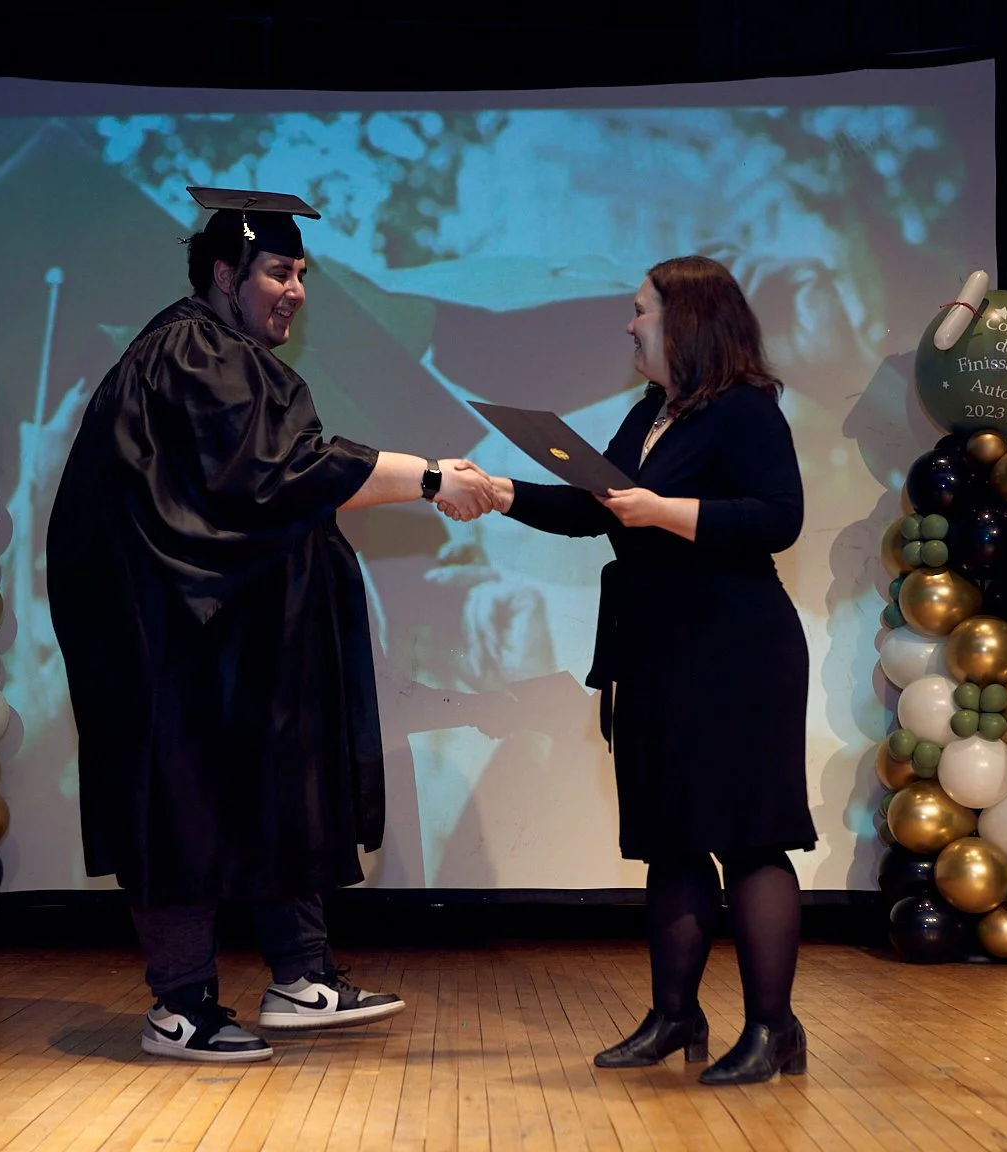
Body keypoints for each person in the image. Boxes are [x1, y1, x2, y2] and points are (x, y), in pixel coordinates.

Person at [46, 187, 495, 1063]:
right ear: (225, 273)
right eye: (279, 272)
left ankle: (302, 975)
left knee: (278, 787)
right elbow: (277, 472)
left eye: (301, 275)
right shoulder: (191, 352)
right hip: (172, 643)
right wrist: (431, 478)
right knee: (180, 809)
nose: (296, 291)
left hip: (229, 638)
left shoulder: (223, 352)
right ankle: (179, 1007)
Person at [485, 255, 818, 1085]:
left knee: (749, 839)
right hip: (658, 650)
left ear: (688, 321)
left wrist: (664, 511)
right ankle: (676, 1016)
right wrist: (496, 490)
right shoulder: (650, 415)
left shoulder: (745, 409)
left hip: (737, 652)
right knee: (670, 841)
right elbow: (589, 506)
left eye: (641, 312)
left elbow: (781, 518)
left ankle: (774, 1030)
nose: (629, 325)